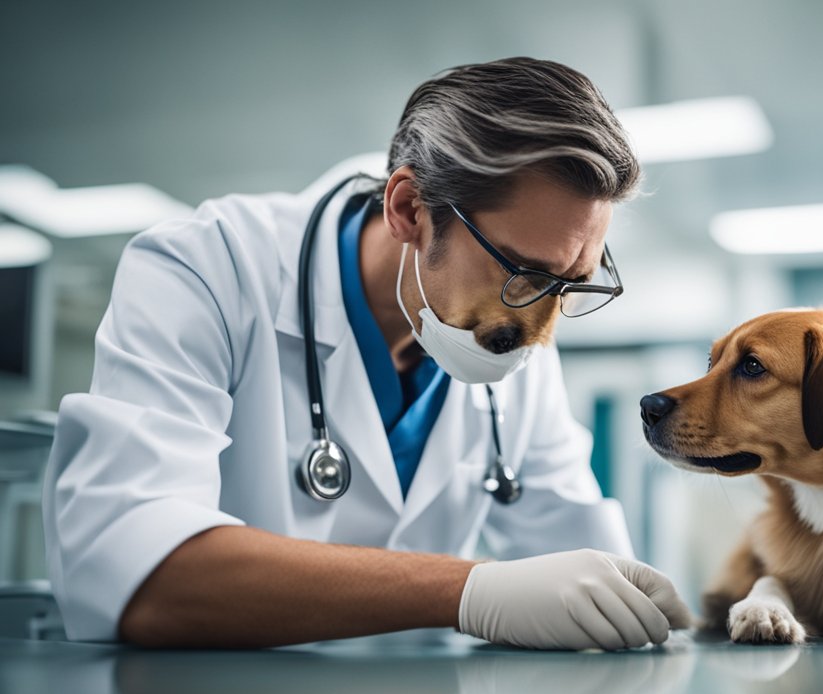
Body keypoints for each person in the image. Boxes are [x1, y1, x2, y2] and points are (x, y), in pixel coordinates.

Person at [43, 57, 691, 649]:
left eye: (569, 284)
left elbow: (586, 576)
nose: (542, 328)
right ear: (409, 209)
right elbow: (136, 571)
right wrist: (469, 591)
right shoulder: (209, 268)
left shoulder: (518, 349)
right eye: (522, 272)